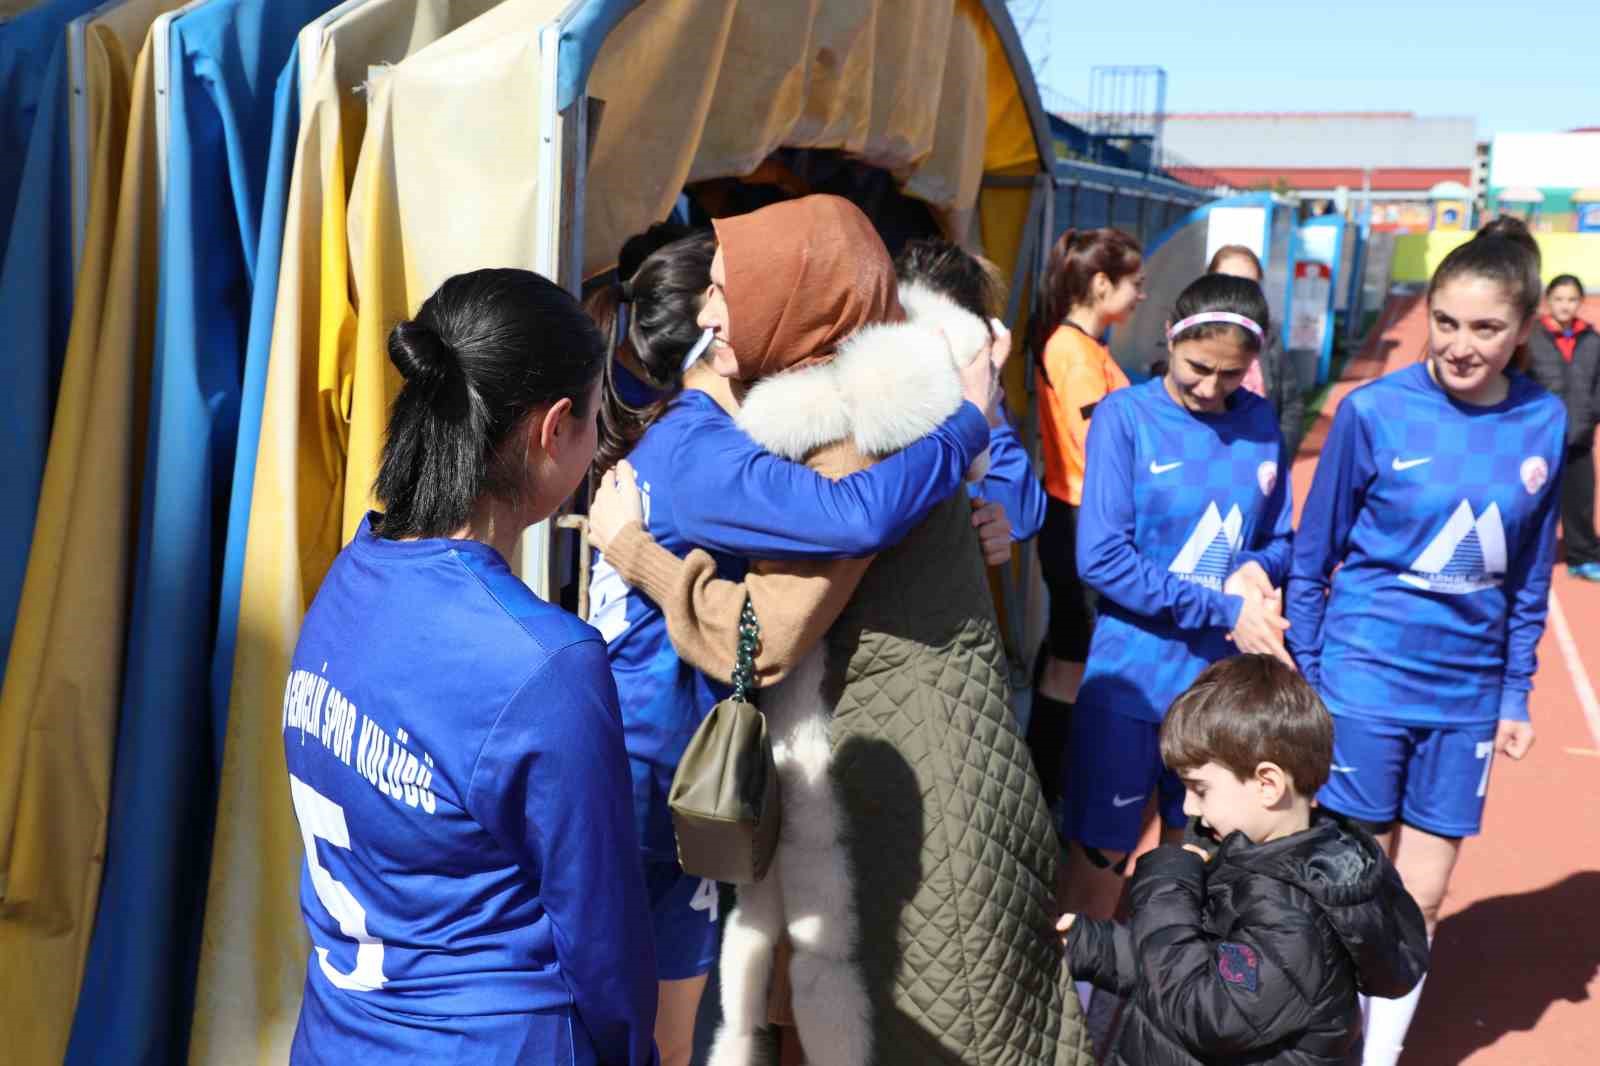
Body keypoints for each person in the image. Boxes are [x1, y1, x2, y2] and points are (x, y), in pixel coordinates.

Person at [589, 195, 1090, 1066]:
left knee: (915, 1029)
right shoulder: (896, 399)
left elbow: (765, 634)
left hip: (901, 792)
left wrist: (638, 553)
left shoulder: (846, 423)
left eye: (723, 289)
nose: (709, 315)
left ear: (799, 295)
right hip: (940, 763)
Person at [281, 269, 658, 1065]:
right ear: (555, 429)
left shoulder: (348, 578)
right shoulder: (545, 663)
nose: (600, 444)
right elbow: (603, 941)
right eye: (598, 418)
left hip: (338, 1034)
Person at [1287, 227, 1565, 1066]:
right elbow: (1314, 556)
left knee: (1428, 897)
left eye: (1484, 329)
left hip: (1466, 700)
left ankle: (1383, 1055)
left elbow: (1529, 577)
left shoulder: (1542, 421)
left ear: (1521, 332)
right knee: (1350, 888)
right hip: (1365, 683)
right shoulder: (1372, 411)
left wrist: (1515, 690)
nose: (1459, 345)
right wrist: (1313, 672)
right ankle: (1320, 1041)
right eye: (1445, 322)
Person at [1060, 273, 1293, 1014]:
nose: (1209, 387)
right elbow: (1101, 559)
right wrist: (1225, 605)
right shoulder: (1125, 418)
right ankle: (1071, 1024)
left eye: (1229, 374)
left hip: (1218, 700)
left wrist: (1261, 564)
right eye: (1197, 368)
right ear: (1170, 338)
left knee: (1192, 866)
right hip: (1133, 685)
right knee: (1102, 862)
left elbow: (1283, 538)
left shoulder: (1261, 422)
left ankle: (1162, 1021)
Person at [1059, 655, 1429, 1066]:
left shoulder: (1290, 918)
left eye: (1200, 788)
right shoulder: (1250, 857)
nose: (1189, 807)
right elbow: (1184, 963)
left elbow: (1202, 1009)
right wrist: (1095, 946)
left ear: (1267, 784)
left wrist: (1167, 881)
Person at [1026, 227, 1145, 814]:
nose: (1142, 295)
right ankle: (1048, 787)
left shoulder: (1088, 347)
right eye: (1135, 284)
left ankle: (1050, 782)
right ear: (1102, 285)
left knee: (1068, 651)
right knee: (1072, 659)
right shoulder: (1071, 351)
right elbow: (1097, 440)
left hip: (1079, 514)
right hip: (1076, 516)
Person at [894, 237, 1048, 553]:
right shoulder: (875, 395)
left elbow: (1022, 515)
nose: (935, 342)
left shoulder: (975, 398)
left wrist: (984, 400)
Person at [1527, 274, 1600, 579]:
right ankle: (1525, 557)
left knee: (1581, 500)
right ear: (1548, 301)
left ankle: (1582, 556)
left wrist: (1593, 413)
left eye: (1572, 299)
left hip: (1580, 435)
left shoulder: (1592, 340)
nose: (1565, 306)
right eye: (1559, 299)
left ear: (1581, 302)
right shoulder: (1531, 337)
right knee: (1532, 501)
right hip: (1540, 438)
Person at [1208, 244, 1306, 458]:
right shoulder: (1191, 334)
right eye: (1227, 281)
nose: (1238, 293)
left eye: (1249, 285)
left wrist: (1279, 458)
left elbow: (1291, 405)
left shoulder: (1268, 336)